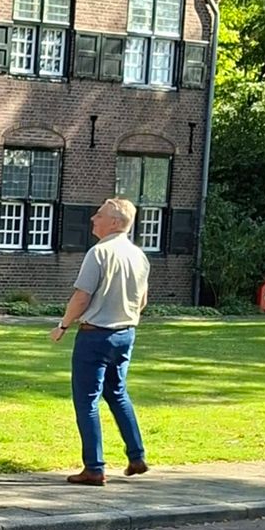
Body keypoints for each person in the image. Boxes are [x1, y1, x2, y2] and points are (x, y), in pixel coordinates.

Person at [52, 198, 151, 486]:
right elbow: (142, 301)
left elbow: (82, 296)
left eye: (99, 215)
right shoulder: (139, 256)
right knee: (118, 393)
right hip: (125, 334)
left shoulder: (99, 253)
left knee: (87, 400)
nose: (93, 219)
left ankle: (94, 467)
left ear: (115, 222)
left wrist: (63, 325)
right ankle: (136, 454)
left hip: (95, 335)